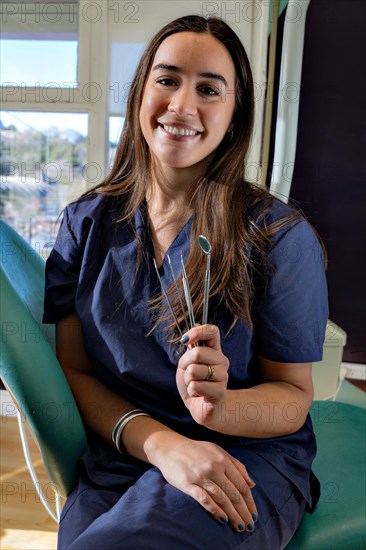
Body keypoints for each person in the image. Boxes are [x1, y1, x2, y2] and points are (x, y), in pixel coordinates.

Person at [43, 15, 328, 550]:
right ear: (140, 93)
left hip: (241, 458)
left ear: (233, 114)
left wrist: (220, 409)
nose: (182, 106)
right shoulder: (85, 223)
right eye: (168, 79)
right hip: (125, 449)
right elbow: (74, 372)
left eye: (209, 90)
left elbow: (292, 397)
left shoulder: (279, 237)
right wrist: (162, 445)